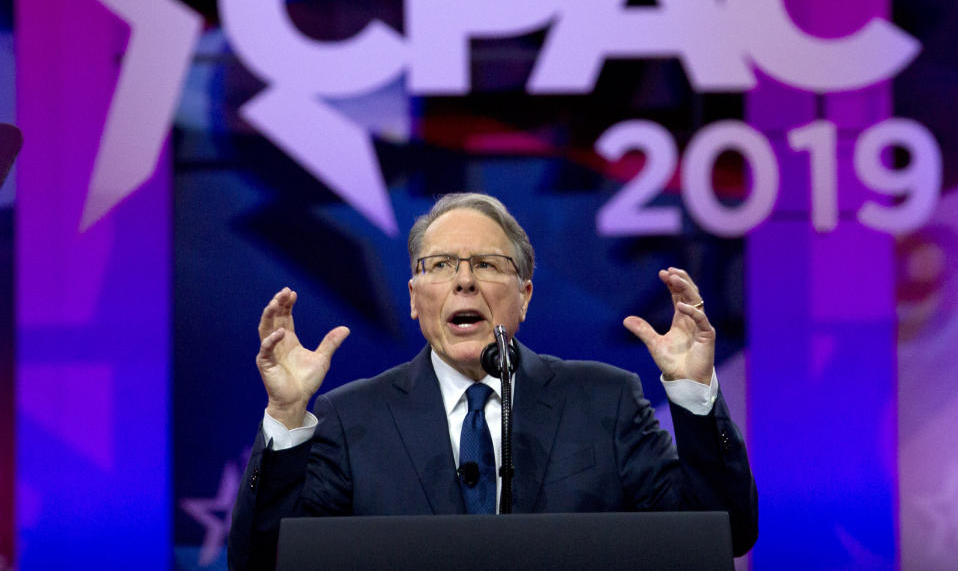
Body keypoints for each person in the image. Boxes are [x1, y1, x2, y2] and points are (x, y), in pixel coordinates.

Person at [227, 193, 757, 568]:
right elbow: (263, 562)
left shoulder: (604, 401)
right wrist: (287, 419)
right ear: (414, 298)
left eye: (485, 263)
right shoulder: (353, 419)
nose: (463, 280)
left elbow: (723, 533)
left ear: (524, 295)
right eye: (439, 265)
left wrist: (693, 394)